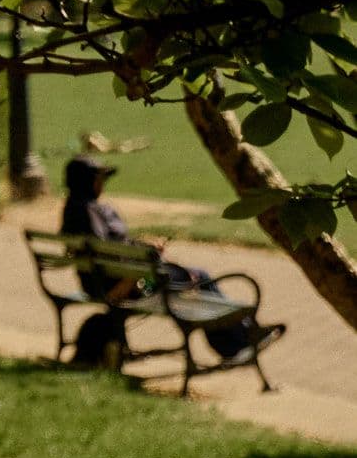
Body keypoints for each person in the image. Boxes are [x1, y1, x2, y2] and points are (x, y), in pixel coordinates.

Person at [60, 156, 262, 366]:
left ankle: (241, 337)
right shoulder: (90, 211)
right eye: (99, 179)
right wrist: (146, 259)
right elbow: (110, 252)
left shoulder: (72, 210)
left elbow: (108, 249)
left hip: (100, 284)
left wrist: (143, 249)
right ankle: (239, 342)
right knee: (196, 277)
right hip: (138, 286)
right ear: (90, 182)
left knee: (188, 278)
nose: (102, 184)